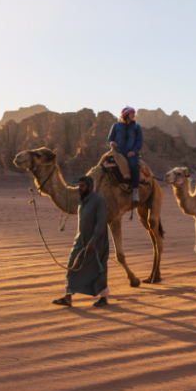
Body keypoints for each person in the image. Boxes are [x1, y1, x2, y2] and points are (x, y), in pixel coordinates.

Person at [52, 176, 111, 307]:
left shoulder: (98, 201)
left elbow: (101, 223)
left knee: (98, 269)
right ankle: (68, 297)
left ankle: (103, 298)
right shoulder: (81, 201)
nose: (80, 189)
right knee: (72, 266)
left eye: (82, 186)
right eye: (79, 186)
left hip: (96, 243)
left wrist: (93, 240)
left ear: (90, 186)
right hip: (80, 241)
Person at [107, 106, 144, 204]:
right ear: (126, 115)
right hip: (118, 153)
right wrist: (111, 143)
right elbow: (110, 138)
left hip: (131, 153)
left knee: (133, 165)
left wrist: (134, 151)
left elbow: (139, 141)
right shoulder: (116, 126)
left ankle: (135, 191)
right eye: (132, 114)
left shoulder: (136, 127)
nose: (134, 116)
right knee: (105, 165)